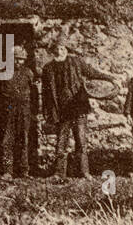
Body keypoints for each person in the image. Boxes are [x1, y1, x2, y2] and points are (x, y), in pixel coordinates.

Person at [40, 41, 113, 179]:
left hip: (78, 108)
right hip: (61, 111)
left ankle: (84, 172)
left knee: (81, 141)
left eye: (62, 49)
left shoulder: (77, 62)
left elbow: (92, 73)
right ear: (52, 51)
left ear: (66, 50)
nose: (59, 52)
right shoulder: (48, 68)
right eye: (56, 49)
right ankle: (59, 173)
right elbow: (45, 93)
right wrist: (47, 111)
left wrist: (110, 77)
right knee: (61, 142)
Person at [0, 44, 38, 177]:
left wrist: (34, 113)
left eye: (21, 59)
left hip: (24, 110)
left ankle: (24, 171)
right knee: (7, 141)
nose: (18, 62)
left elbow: (34, 94)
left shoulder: (29, 73)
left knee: (24, 140)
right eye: (16, 59)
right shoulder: (3, 73)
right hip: (8, 109)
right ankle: (8, 171)